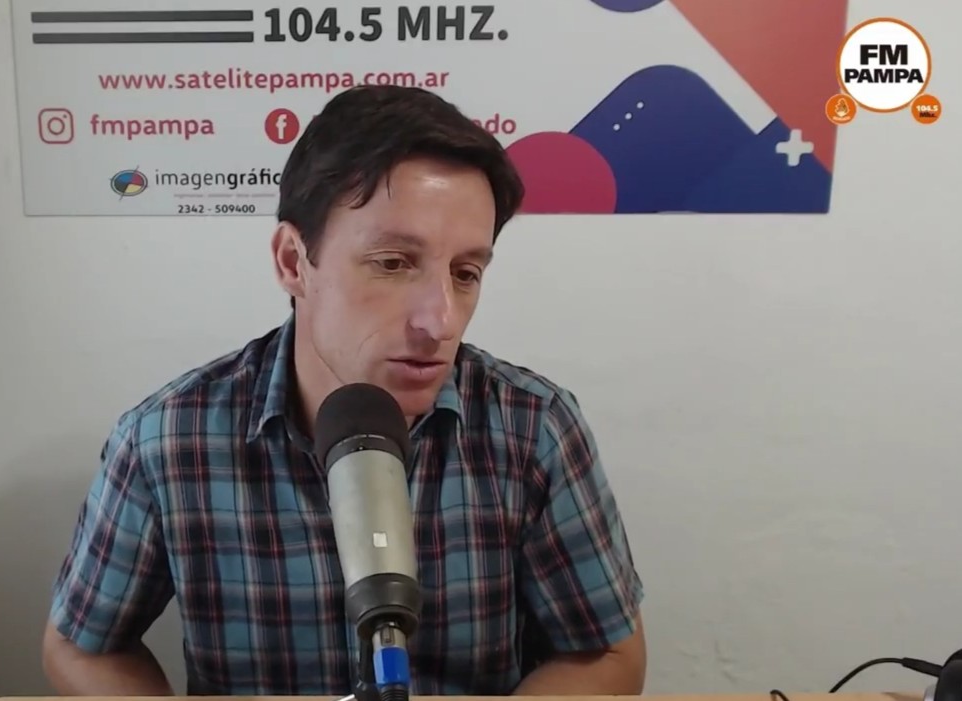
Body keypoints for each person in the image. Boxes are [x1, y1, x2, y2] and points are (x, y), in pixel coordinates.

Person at [41, 84, 646, 696]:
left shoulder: (534, 429)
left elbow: (605, 653)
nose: (440, 322)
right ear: (293, 262)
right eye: (393, 263)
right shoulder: (167, 441)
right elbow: (82, 648)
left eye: (466, 274)